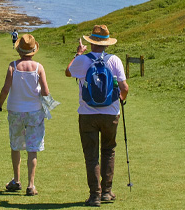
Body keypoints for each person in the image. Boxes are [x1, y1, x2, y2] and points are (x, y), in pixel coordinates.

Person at [64, 25, 128, 207]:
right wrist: (120, 101)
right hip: (110, 113)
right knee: (109, 151)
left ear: (91, 43)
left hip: (87, 114)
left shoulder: (82, 60)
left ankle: (95, 195)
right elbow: (124, 88)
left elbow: (68, 72)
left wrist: (77, 54)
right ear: (107, 43)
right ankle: (107, 192)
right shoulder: (115, 60)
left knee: (91, 155)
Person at [0, 34, 53, 196]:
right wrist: (46, 103)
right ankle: (31, 185)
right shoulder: (39, 67)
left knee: (16, 145)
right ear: (33, 51)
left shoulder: (12, 66)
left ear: (19, 50)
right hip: (34, 111)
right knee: (32, 148)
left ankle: (16, 180)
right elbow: (46, 92)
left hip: (15, 110)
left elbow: (5, 89)